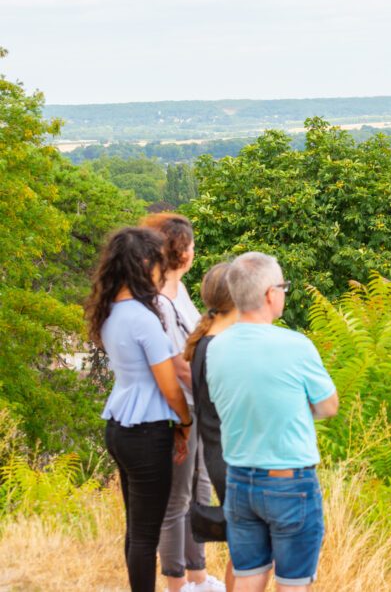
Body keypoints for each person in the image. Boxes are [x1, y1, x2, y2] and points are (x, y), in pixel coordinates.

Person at [207, 252, 339, 592]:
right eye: (283, 286)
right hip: (289, 480)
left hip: (238, 478)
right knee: (292, 584)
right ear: (270, 294)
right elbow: (328, 406)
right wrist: (295, 410)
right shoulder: (295, 345)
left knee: (248, 578)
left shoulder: (216, 347)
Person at [85, 226, 192, 592]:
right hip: (146, 432)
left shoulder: (112, 311)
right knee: (146, 535)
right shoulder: (144, 319)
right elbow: (169, 386)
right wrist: (186, 420)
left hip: (119, 426)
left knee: (136, 530)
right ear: (145, 265)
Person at [139, 213, 224, 592]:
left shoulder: (179, 292)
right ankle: (176, 583)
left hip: (198, 406)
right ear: (183, 252)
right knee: (178, 500)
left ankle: (197, 574)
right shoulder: (156, 301)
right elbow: (178, 363)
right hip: (180, 410)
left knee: (200, 488)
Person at [184, 263, 238, 592]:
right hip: (230, 453)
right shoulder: (220, 347)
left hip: (220, 451)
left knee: (248, 547)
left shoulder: (207, 340)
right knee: (249, 549)